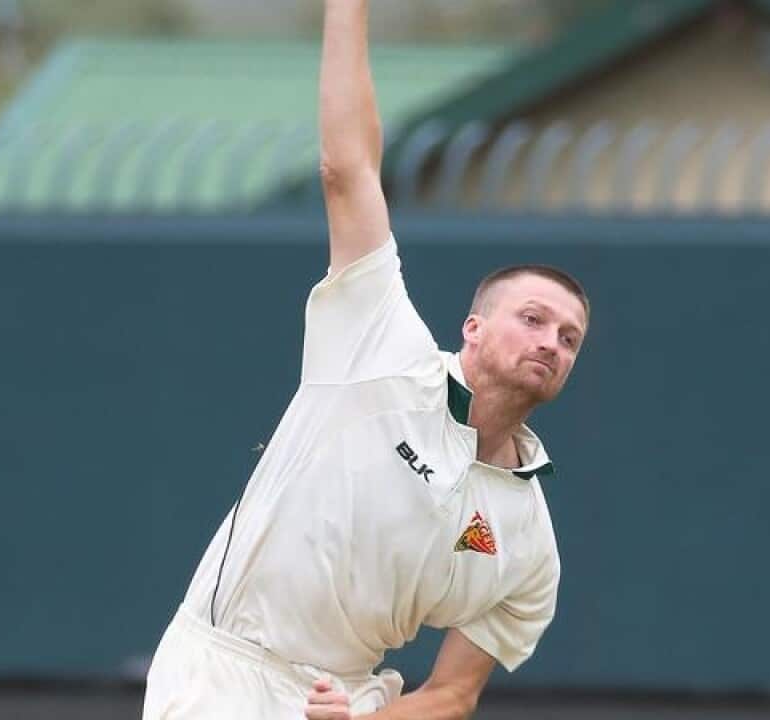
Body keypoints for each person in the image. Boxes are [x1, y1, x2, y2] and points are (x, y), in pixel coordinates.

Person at [142, 1, 589, 718]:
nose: (550, 342)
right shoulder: (381, 346)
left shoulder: (529, 542)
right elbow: (346, 169)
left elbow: (452, 695)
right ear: (473, 329)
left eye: (568, 338)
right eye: (532, 319)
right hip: (222, 674)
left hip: (346, 700)